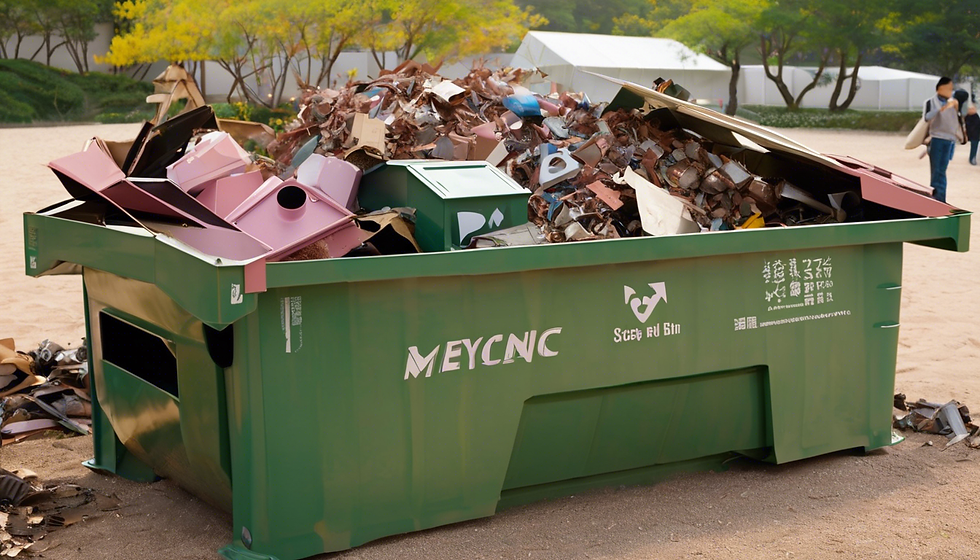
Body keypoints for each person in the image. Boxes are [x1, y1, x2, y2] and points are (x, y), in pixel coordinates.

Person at [923, 77, 959, 202]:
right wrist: (940, 109)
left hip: (949, 140)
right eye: (948, 88)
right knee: (937, 170)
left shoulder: (954, 102)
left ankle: (940, 198)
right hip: (937, 139)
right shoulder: (931, 102)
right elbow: (927, 117)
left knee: (942, 170)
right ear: (940, 88)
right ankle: (937, 198)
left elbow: (960, 118)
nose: (951, 91)